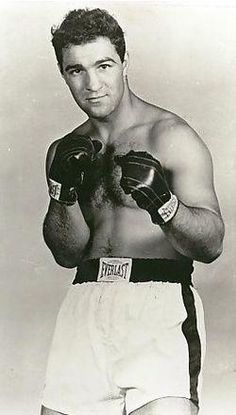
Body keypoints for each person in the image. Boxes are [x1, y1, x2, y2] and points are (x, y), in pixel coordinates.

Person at [41, 8, 225, 415]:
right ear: (63, 73)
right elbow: (67, 254)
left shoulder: (171, 136)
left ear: (125, 62)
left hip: (158, 304)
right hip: (85, 306)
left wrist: (165, 204)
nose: (92, 84)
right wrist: (63, 192)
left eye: (103, 65)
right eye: (76, 70)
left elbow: (211, 244)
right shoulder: (63, 149)